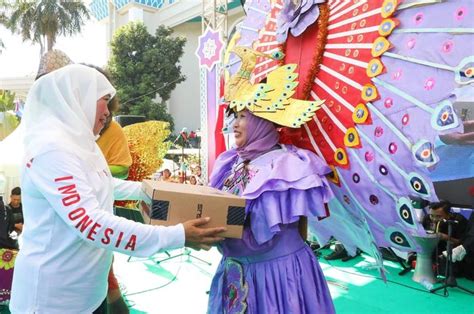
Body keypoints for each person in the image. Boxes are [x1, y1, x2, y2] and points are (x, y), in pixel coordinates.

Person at [9, 64, 226, 313]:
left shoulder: (80, 143)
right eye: (104, 100)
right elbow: (91, 223)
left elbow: (101, 182)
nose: (108, 113)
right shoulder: (52, 150)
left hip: (89, 292)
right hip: (54, 300)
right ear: (79, 97)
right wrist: (177, 236)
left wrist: (149, 190)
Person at [208, 110, 335, 313]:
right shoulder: (232, 161)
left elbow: (289, 228)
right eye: (236, 116)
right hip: (234, 273)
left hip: (279, 279)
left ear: (263, 121)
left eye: (243, 117)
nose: (235, 124)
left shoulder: (288, 165)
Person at [94, 67, 133, 313]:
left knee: (104, 272)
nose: (106, 111)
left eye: (108, 101)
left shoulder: (113, 130)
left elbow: (123, 169)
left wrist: (94, 169)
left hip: (100, 215)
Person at [422, 201, 468, 276]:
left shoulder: (459, 220)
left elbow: (463, 244)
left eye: (438, 216)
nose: (434, 219)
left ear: (448, 214)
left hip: (453, 253)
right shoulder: (427, 218)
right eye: (432, 215)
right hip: (433, 250)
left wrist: (445, 237)